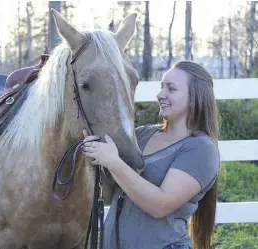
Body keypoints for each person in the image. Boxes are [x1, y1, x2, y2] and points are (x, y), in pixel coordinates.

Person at [82, 60, 220, 249]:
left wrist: (113, 162)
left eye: (171, 89)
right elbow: (110, 192)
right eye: (161, 87)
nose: (160, 94)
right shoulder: (143, 134)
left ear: (195, 97)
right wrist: (94, 150)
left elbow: (160, 206)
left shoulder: (201, 150)